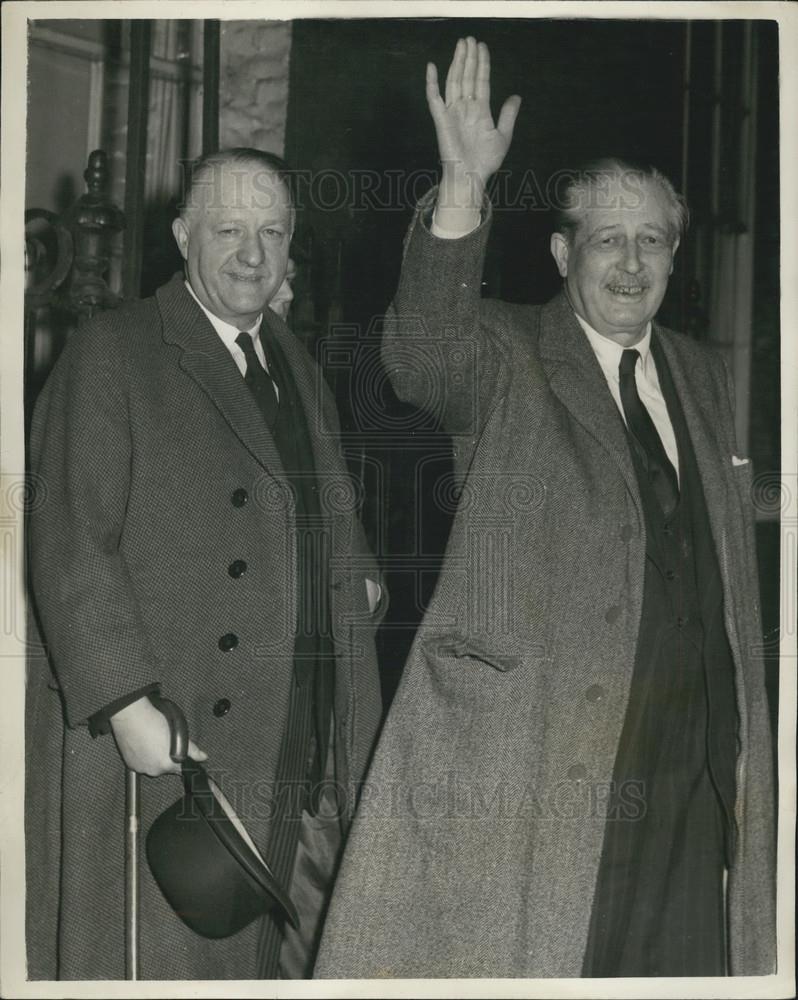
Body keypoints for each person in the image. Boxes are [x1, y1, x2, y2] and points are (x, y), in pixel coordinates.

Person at [314, 38, 776, 978]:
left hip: (693, 754)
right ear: (564, 251)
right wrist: (460, 190)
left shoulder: (703, 370)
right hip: (547, 750)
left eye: (653, 240)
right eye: (609, 238)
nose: (633, 261)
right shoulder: (509, 353)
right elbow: (424, 351)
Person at [26, 148, 384, 980]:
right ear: (184, 235)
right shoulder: (115, 350)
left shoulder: (291, 357)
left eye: (272, 231)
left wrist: (357, 569)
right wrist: (123, 700)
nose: (252, 254)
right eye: (228, 230)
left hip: (289, 738)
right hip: (169, 734)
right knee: (160, 966)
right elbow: (70, 536)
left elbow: (319, 495)